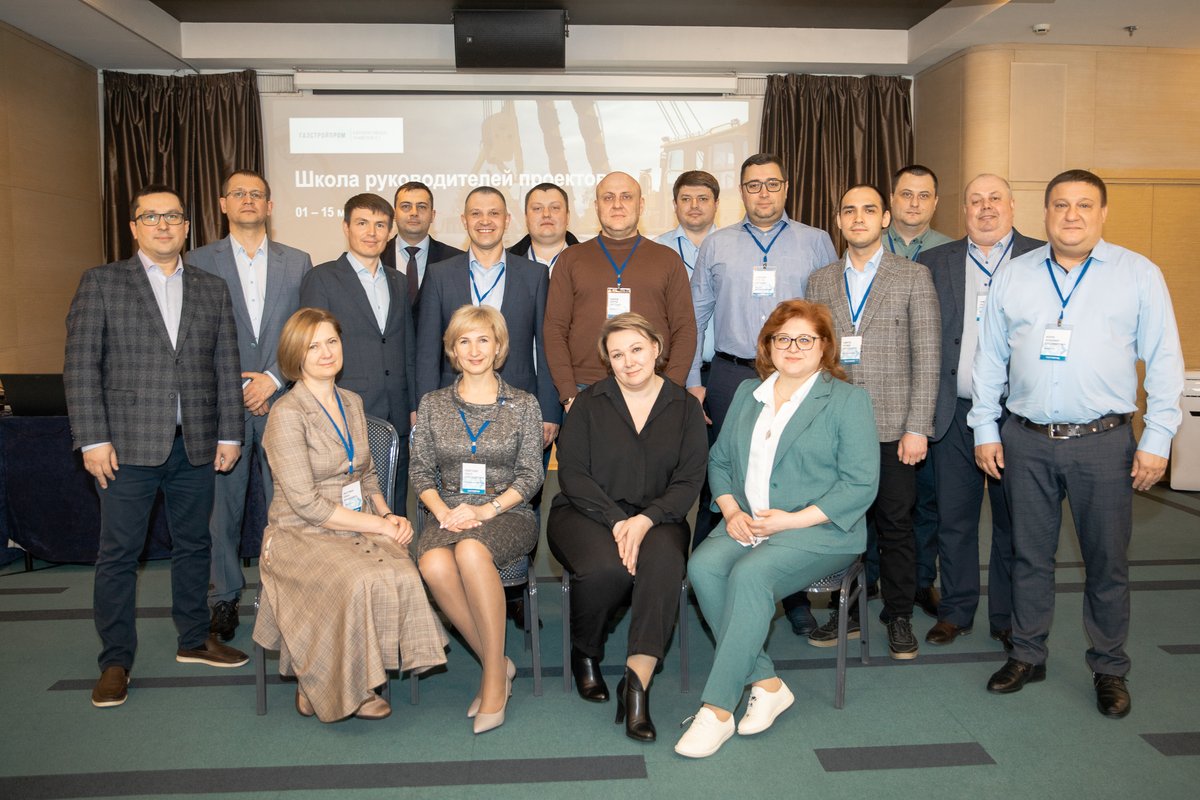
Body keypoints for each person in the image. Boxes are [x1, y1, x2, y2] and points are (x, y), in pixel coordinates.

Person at [970, 169, 1184, 718]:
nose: (1072, 215)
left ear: (1103, 213)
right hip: (1026, 441)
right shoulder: (1014, 276)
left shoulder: (1138, 274)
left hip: (1103, 443)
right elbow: (989, 359)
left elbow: (1164, 361)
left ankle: (1109, 667)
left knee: (1106, 562)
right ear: (1045, 213)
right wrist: (986, 428)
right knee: (1028, 556)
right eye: (1061, 205)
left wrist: (1158, 436)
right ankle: (1027, 653)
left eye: (1084, 205)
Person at [64, 184, 247, 709]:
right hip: (125, 447)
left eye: (172, 216)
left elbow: (225, 365)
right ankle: (116, 660)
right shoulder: (102, 282)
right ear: (134, 227)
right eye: (151, 217)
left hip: (196, 444)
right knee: (119, 555)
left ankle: (194, 639)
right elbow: (81, 366)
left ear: (187, 226)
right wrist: (92, 439)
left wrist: (230, 433)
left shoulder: (212, 287)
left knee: (195, 546)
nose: (163, 225)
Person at [675, 300, 879, 758]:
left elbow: (860, 485)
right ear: (767, 345)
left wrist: (791, 520)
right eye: (782, 338)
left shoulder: (847, 401)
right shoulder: (750, 392)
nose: (793, 347)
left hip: (821, 530)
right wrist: (730, 510)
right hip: (749, 521)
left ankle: (717, 710)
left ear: (824, 346)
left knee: (751, 575)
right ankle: (766, 683)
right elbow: (719, 460)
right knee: (704, 567)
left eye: (805, 339)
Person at [252, 308, 447, 723]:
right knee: (356, 579)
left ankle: (353, 675)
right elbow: (307, 504)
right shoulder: (286, 414)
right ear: (295, 355)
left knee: (401, 571)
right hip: (299, 532)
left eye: (332, 342)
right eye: (313, 346)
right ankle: (329, 682)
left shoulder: (352, 402)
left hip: (355, 520)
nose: (326, 353)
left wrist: (389, 514)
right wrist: (378, 525)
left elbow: (367, 475)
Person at [547, 313, 707, 742]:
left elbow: (690, 480)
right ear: (608, 361)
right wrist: (619, 521)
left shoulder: (685, 408)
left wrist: (645, 519)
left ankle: (636, 684)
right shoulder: (588, 403)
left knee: (664, 564)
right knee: (608, 569)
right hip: (586, 512)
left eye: (636, 349)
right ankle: (586, 651)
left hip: (660, 516)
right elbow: (573, 474)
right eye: (617, 355)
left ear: (656, 348)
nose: (629, 361)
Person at [687, 154, 837, 610]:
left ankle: (790, 598)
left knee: (792, 478)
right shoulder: (717, 244)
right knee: (723, 475)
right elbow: (695, 317)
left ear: (786, 188)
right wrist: (693, 380)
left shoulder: (816, 241)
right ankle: (708, 583)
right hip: (731, 374)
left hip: (798, 373)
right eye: (753, 185)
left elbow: (829, 317)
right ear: (742, 192)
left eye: (772, 183)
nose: (764, 193)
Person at [804, 184, 940, 660]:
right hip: (835, 429)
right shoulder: (820, 281)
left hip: (894, 429)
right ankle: (850, 610)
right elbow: (812, 356)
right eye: (849, 210)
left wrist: (917, 427)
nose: (858, 218)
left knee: (895, 525)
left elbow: (928, 356)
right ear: (839, 220)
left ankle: (898, 616)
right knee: (843, 526)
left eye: (868, 210)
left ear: (885, 218)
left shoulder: (913, 276)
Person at [917, 174, 1043, 649]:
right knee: (954, 518)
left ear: (1012, 205)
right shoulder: (935, 261)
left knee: (1014, 522)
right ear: (964, 210)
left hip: (1019, 417)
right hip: (955, 412)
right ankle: (956, 610)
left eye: (995, 199)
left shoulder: (1041, 258)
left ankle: (1007, 618)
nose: (985, 207)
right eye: (976, 200)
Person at [189, 169, 312, 642]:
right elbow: (194, 334)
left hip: (283, 399)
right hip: (224, 401)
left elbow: (302, 329)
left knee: (289, 503)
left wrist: (274, 377)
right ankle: (223, 597)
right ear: (223, 203)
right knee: (223, 509)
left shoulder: (297, 261)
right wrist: (238, 384)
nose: (247, 200)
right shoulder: (198, 260)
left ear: (270, 206)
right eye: (238, 193)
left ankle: (286, 593)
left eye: (256, 194)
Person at [410, 305, 546, 734]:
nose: (474, 350)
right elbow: (420, 472)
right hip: (448, 510)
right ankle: (497, 663)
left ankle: (491, 683)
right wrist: (444, 512)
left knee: (471, 551)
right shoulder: (433, 404)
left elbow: (531, 475)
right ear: (452, 349)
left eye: (483, 340)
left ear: (498, 346)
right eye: (464, 341)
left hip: (507, 511)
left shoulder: (523, 405)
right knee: (433, 563)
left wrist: (486, 510)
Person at [416, 186, 561, 444]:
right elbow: (427, 351)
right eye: (476, 214)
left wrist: (549, 411)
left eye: (494, 213)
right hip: (452, 406)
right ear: (464, 220)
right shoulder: (439, 275)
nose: (485, 221)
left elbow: (546, 346)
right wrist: (424, 409)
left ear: (507, 220)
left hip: (518, 404)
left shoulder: (535, 275)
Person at [299, 193, 417, 509]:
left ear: (390, 231)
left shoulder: (398, 281)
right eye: (363, 223)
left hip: (396, 415)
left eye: (380, 225)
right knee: (350, 507)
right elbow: (310, 352)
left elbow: (407, 349)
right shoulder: (321, 278)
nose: (371, 232)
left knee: (394, 506)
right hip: (344, 414)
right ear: (346, 227)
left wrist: (413, 405)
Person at [544, 171, 697, 404]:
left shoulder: (668, 259)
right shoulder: (570, 259)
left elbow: (684, 328)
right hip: (584, 390)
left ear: (641, 205)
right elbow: (554, 329)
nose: (617, 204)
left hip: (653, 389)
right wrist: (568, 393)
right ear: (596, 206)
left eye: (626, 197)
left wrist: (671, 389)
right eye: (608, 197)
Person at [884, 165, 954, 618]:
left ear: (935, 202)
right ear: (891, 200)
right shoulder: (867, 244)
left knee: (926, 499)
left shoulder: (949, 252)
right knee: (876, 497)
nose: (914, 203)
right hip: (879, 391)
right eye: (906, 194)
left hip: (930, 389)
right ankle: (874, 576)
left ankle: (921, 580)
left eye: (923, 195)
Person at [381, 180, 465, 309]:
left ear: (432, 215)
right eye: (406, 206)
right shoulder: (377, 257)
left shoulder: (456, 260)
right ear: (394, 214)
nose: (414, 213)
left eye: (421, 207)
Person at [508, 182, 580, 275]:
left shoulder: (591, 259)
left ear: (567, 216)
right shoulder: (504, 261)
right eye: (537, 208)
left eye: (555, 207)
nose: (546, 214)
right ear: (526, 218)